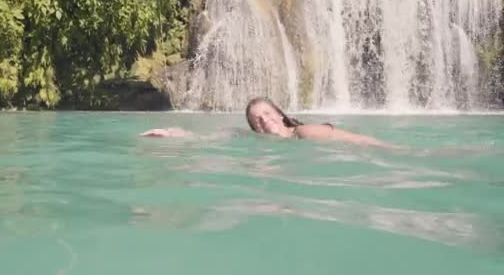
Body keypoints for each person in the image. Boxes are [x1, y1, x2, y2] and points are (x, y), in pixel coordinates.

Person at [141, 97, 402, 149]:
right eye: (257, 120)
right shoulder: (254, 140)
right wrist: (170, 133)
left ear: (280, 114)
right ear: (255, 129)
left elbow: (357, 141)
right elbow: (207, 138)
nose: (263, 121)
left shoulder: (305, 132)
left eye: (266, 113)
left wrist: (399, 150)